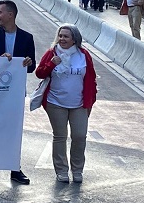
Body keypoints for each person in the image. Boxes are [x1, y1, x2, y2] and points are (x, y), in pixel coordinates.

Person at [0, 0, 36, 185]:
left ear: (10, 15)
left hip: (15, 93)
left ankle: (14, 168)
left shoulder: (27, 38)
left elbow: (31, 67)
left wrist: (27, 62)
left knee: (14, 130)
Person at [34, 24, 97, 184]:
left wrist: (90, 102)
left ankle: (77, 170)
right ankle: (61, 171)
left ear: (74, 39)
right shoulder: (51, 53)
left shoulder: (84, 55)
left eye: (66, 36)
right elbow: (39, 73)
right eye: (60, 36)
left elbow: (91, 78)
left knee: (79, 136)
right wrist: (52, 64)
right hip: (56, 103)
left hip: (79, 104)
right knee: (60, 136)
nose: (62, 39)